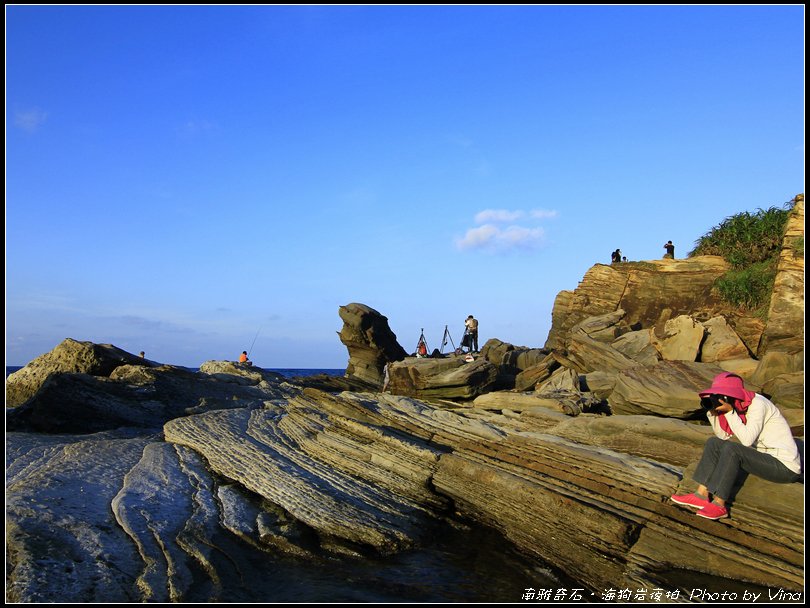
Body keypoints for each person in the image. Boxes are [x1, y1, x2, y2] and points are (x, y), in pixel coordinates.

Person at [670, 372, 801, 520]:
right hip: (767, 457)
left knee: (733, 450)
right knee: (714, 443)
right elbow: (722, 436)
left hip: (785, 467)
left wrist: (730, 412)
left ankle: (719, 504)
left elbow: (746, 440)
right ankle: (701, 494)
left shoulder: (759, 404)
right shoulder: (740, 406)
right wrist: (712, 414)